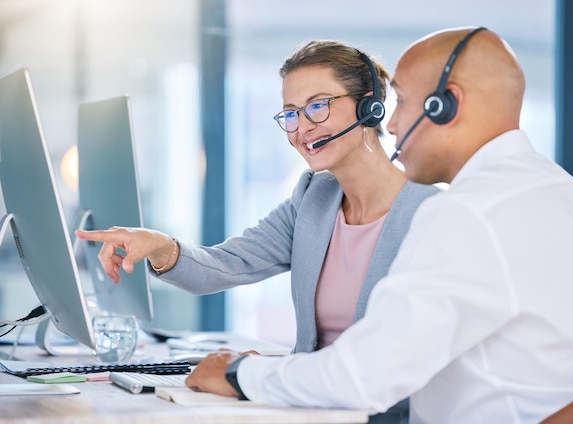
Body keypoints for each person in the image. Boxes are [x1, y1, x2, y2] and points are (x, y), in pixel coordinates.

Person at [180, 27, 573, 423]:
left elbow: (363, 376)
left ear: (447, 104)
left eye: (405, 104)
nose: (390, 124)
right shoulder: (570, 199)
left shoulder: (466, 213)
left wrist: (240, 373)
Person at [76, 40, 438, 423]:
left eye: (317, 106)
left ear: (369, 105)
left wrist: (257, 376)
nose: (302, 128)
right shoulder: (313, 197)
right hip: (306, 407)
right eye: (291, 114)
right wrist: (157, 244)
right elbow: (226, 265)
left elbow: (401, 363)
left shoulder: (432, 214)